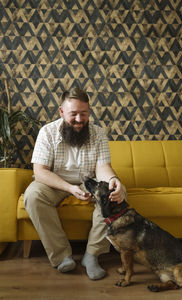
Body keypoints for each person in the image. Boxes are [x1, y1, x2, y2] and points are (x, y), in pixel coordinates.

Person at [24, 87, 125, 280]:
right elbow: (40, 172)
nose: (79, 120)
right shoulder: (47, 132)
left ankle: (92, 255)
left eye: (84, 114)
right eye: (74, 114)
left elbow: (103, 167)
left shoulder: (98, 133)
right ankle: (62, 256)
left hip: (89, 183)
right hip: (54, 183)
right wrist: (70, 188)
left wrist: (113, 180)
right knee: (33, 195)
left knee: (117, 192)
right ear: (61, 112)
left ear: (89, 112)